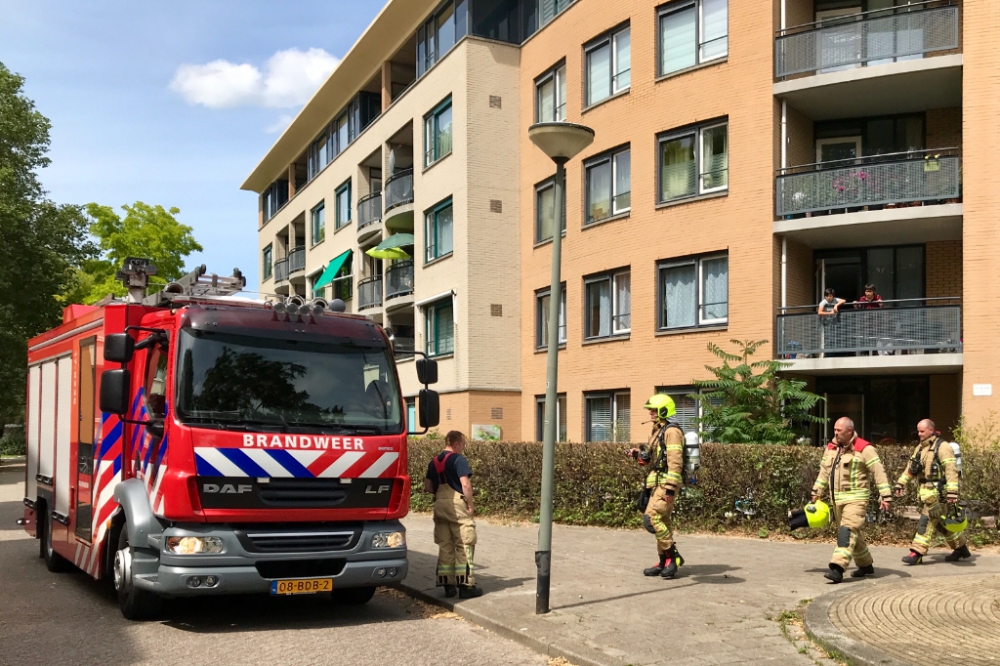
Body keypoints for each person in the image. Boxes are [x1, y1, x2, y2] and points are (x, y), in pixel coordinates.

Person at [812, 417, 892, 583]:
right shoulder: (832, 448)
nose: (835, 433)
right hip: (837, 501)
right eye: (834, 430)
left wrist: (885, 495)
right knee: (853, 534)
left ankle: (837, 568)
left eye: (839, 430)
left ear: (849, 431)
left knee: (846, 533)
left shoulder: (864, 449)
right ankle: (865, 565)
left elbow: (879, 473)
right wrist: (816, 491)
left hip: (856, 500)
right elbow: (824, 472)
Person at [895, 419, 969, 565]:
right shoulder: (920, 448)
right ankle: (961, 548)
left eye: (922, 431)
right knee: (941, 524)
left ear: (931, 430)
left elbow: (951, 470)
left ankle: (916, 553)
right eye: (918, 431)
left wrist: (952, 493)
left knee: (925, 522)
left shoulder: (943, 447)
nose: (919, 434)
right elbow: (911, 468)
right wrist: (900, 483)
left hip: (938, 495)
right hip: (926, 493)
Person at [628, 394, 686, 579]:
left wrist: (670, 489)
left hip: (666, 483)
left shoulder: (672, 432)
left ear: (663, 410)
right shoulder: (659, 430)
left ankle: (673, 556)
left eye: (653, 410)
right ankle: (663, 562)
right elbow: (651, 458)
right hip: (658, 482)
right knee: (664, 521)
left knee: (652, 519)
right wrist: (638, 453)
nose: (650, 413)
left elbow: (675, 463)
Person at [424, 431, 482, 598]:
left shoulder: (433, 462)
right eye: (463, 444)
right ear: (456, 444)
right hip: (457, 505)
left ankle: (447, 585)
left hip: (440, 505)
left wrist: (441, 495)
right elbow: (466, 485)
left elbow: (428, 487)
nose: (463, 448)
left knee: (445, 545)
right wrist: (470, 505)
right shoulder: (458, 459)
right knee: (464, 543)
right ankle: (466, 587)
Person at [817, 288, 846, 357]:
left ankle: (836, 354)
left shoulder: (835, 300)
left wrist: (836, 305)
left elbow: (843, 300)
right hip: (827, 324)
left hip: (835, 324)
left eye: (830, 296)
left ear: (833, 296)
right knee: (828, 340)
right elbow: (819, 312)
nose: (828, 298)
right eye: (827, 296)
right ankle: (828, 355)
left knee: (836, 339)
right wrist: (830, 313)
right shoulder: (823, 302)